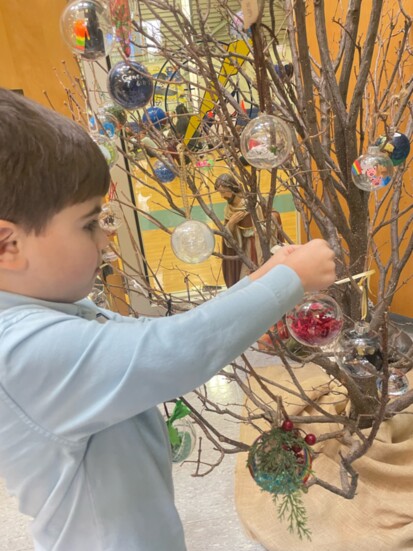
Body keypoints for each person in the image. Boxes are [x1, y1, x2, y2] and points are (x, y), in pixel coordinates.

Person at [0, 87, 336, 551]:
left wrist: (259, 276)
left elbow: (146, 336)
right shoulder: (19, 351)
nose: (104, 239)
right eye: (89, 223)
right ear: (7, 245)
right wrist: (287, 282)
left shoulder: (47, 312)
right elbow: (172, 351)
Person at [215, 173, 284, 287]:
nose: (222, 196)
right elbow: (229, 240)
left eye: (223, 192)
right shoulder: (229, 209)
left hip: (261, 246)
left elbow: (274, 215)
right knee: (246, 279)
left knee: (265, 274)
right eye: (220, 193)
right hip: (246, 248)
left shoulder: (253, 202)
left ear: (232, 188)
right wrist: (231, 224)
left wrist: (262, 226)